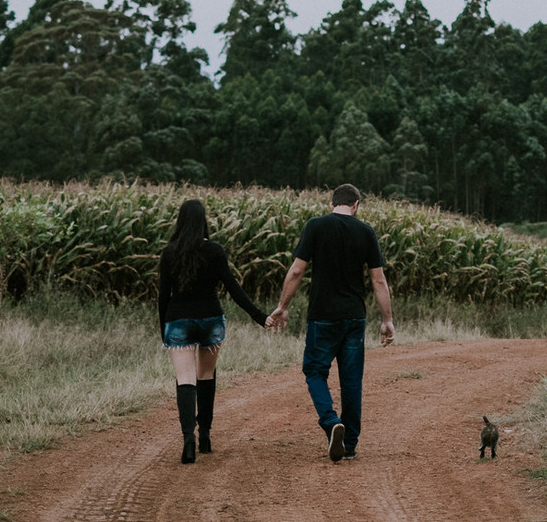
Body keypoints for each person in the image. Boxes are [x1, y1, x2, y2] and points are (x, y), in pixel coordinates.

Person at [267, 183, 395, 462]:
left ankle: (330, 420)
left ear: (331, 203)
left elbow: (297, 270)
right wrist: (387, 320)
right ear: (356, 204)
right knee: (351, 381)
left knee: (314, 371)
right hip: (353, 317)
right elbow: (378, 279)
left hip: (322, 316)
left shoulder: (316, 226)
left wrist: (282, 306)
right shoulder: (365, 231)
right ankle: (349, 444)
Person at [159, 198, 270, 463]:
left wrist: (164, 328)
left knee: (185, 379)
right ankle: (205, 435)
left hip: (179, 321)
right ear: (203, 221)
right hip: (210, 320)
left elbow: (163, 296)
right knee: (206, 375)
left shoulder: (170, 252)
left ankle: (188, 440)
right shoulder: (216, 250)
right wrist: (259, 316)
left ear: (180, 221)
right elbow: (233, 287)